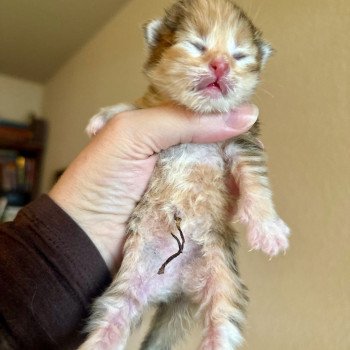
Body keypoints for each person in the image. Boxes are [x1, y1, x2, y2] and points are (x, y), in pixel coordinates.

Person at [0, 104, 258, 349]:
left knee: (220, 308)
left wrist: (261, 216)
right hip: (148, 234)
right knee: (120, 308)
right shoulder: (159, 109)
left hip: (201, 236)